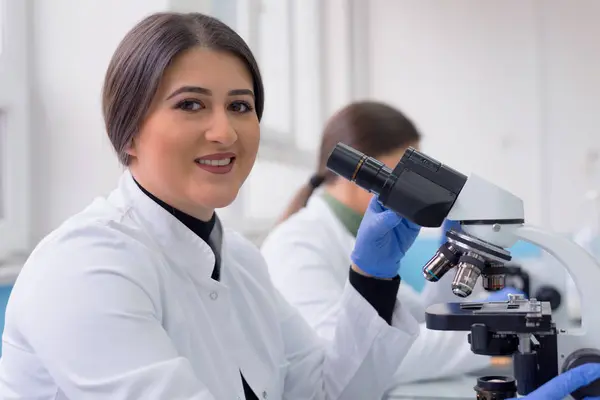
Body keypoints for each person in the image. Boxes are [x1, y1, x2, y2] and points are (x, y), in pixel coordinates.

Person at [0, 12, 424, 400]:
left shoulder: (241, 261)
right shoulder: (85, 266)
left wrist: (371, 278)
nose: (225, 132)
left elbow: (327, 391)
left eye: (240, 106)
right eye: (191, 104)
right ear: (127, 132)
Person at [261, 101, 521, 387]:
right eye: (411, 174)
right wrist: (493, 330)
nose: (420, 188)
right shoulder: (296, 244)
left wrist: (457, 264)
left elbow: (417, 318)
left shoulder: (369, 239)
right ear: (364, 172)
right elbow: (364, 358)